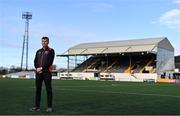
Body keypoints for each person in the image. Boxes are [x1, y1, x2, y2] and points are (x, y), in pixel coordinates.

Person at [30, 36, 55, 112]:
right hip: (39, 73)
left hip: (47, 73)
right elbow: (35, 61)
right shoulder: (38, 51)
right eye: (42, 41)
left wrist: (41, 68)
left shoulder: (51, 50)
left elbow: (50, 62)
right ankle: (37, 107)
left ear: (48, 42)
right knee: (38, 90)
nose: (44, 42)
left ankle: (49, 107)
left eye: (45, 41)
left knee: (48, 90)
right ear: (41, 42)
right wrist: (37, 68)